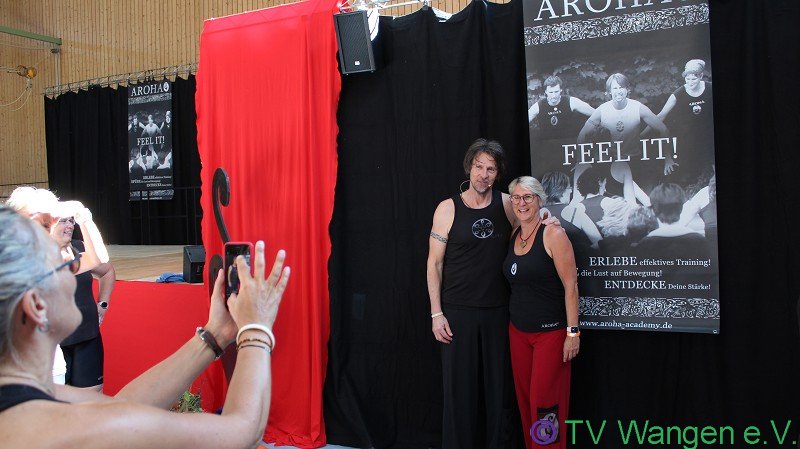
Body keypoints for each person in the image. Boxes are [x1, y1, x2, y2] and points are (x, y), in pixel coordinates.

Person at [0, 205, 290, 449]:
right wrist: (256, 329)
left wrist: (214, 335)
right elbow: (242, 431)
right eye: (65, 266)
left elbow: (120, 408)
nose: (76, 271)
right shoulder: (59, 429)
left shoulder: (23, 398)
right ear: (36, 305)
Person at [428, 138, 558, 449]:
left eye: (491, 169)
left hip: (500, 312)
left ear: (497, 174)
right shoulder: (448, 208)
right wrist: (436, 313)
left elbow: (531, 226)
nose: (484, 175)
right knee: (459, 393)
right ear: (469, 167)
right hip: (457, 313)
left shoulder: (508, 204)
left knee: (500, 394)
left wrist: (547, 220)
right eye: (479, 167)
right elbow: (434, 263)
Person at [502, 176, 579, 449]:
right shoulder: (514, 233)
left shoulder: (553, 234)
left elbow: (571, 286)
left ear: (539, 200)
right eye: (516, 198)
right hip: (518, 333)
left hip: (551, 335)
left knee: (546, 405)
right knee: (525, 402)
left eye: (528, 197)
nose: (521, 203)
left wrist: (572, 333)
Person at [50, 215, 116, 389]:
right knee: (56, 400)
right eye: (63, 221)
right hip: (53, 344)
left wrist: (103, 304)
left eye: (71, 221)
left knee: (91, 398)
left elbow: (106, 270)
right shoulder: (33, 257)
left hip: (87, 336)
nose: (70, 225)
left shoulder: (78, 249)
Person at [577, 73, 672, 185]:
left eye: (621, 87)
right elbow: (582, 134)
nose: (618, 91)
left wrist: (668, 158)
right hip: (609, 162)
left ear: (627, 89)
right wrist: (580, 161)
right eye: (615, 88)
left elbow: (663, 130)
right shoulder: (602, 110)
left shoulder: (638, 108)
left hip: (634, 160)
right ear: (609, 91)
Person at [648, 59, 715, 185]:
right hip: (688, 139)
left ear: (701, 76)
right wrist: (641, 134)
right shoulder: (679, 93)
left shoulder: (710, 88)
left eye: (693, 79)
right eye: (687, 79)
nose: (690, 82)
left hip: (709, 136)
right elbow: (660, 116)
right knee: (690, 173)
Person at [529, 76, 595, 173]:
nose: (554, 96)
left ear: (561, 90)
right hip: (548, 150)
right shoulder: (539, 106)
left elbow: (596, 114)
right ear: (546, 92)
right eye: (551, 92)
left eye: (556, 92)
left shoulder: (571, 101)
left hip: (569, 149)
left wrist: (586, 130)